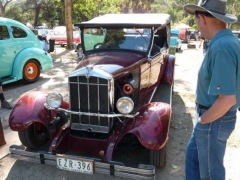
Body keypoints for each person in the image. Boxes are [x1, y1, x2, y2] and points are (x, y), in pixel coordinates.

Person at [184, 0, 240, 180]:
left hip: (213, 118)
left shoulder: (222, 47)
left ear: (202, 19)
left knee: (210, 173)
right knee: (194, 160)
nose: (197, 27)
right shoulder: (227, 42)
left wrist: (203, 121)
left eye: (196, 21)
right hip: (212, 116)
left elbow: (227, 99)